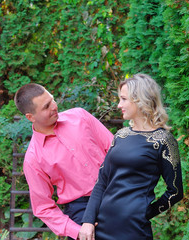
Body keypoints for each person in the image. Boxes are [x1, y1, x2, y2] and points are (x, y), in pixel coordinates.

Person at [78, 74, 184, 240]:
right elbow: (102, 182)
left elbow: (175, 192)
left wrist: (143, 213)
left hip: (133, 230)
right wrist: (88, 220)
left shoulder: (164, 140)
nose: (119, 105)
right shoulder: (121, 135)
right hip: (101, 225)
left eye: (123, 99)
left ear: (140, 100)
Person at [14, 83, 114, 239]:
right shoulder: (33, 158)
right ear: (30, 117)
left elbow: (114, 150)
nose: (54, 106)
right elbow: (43, 208)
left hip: (116, 189)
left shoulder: (80, 117)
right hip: (82, 208)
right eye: (46, 107)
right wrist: (76, 231)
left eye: (52, 100)